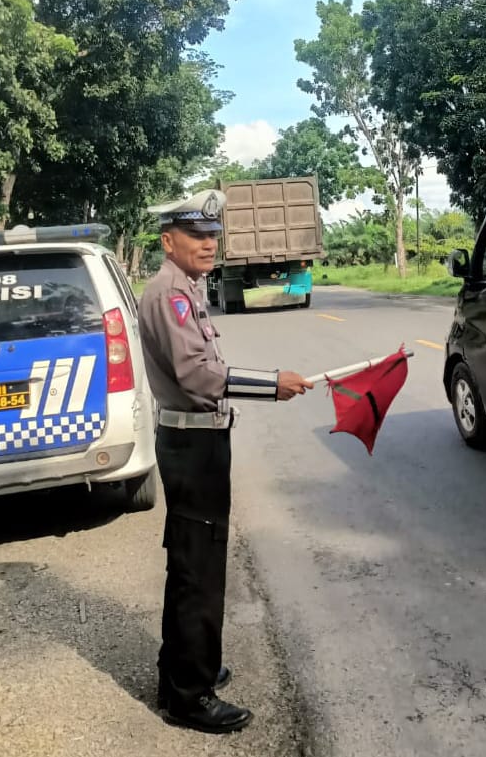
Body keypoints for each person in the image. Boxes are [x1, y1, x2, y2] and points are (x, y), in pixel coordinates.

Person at [136, 188, 313, 734]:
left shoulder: (185, 286)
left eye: (213, 235)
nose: (209, 244)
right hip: (192, 445)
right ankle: (190, 696)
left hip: (199, 441)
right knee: (199, 569)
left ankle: (186, 669)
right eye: (197, 235)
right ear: (169, 241)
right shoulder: (170, 293)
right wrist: (271, 384)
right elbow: (196, 376)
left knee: (194, 559)